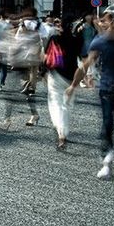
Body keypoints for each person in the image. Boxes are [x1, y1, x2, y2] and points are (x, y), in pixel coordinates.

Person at [67, 13, 114, 179]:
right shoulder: (99, 41)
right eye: (103, 21)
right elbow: (86, 65)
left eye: (106, 20)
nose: (102, 23)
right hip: (107, 87)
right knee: (108, 123)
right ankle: (106, 161)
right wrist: (73, 85)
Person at [45, 17, 83, 150]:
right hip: (71, 76)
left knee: (55, 103)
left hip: (56, 74)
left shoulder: (55, 39)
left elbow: (47, 55)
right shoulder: (77, 40)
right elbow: (82, 59)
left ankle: (61, 132)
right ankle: (63, 131)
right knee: (66, 105)